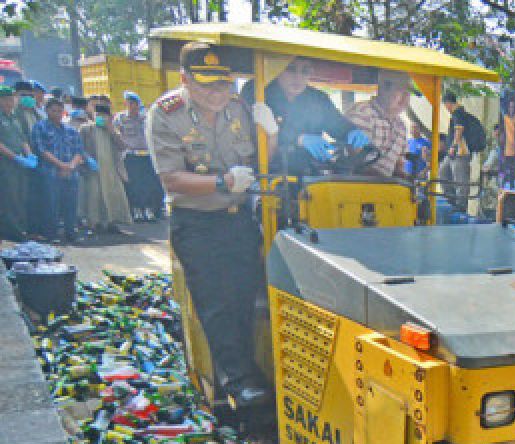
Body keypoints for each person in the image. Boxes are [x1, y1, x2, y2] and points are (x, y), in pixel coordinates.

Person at [147, 42, 276, 408]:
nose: (219, 93)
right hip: (197, 223)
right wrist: (221, 183)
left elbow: (265, 159)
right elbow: (170, 178)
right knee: (217, 303)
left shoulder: (239, 108)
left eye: (223, 84)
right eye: (208, 85)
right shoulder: (166, 114)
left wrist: (272, 132)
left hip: (237, 221)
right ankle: (238, 383)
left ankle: (242, 374)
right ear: (185, 80)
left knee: (243, 298)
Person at [240, 57, 368, 173]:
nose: (298, 77)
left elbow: (337, 125)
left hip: (310, 176)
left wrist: (351, 132)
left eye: (305, 71)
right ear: (276, 69)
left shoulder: (318, 99)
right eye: (291, 69)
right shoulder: (257, 91)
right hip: (268, 175)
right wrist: (298, 139)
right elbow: (250, 131)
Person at [30, 97, 85, 242]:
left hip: (70, 173)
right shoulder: (40, 127)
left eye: (60, 110)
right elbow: (41, 150)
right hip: (49, 173)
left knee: (71, 205)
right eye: (53, 110)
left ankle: (71, 233)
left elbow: (79, 151)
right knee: (50, 204)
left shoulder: (71, 130)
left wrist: (70, 166)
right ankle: (51, 235)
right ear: (47, 111)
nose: (57, 113)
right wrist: (61, 165)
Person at [345, 70, 411, 177]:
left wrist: (405, 178)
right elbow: (355, 163)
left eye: (408, 93)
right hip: (351, 187)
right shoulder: (363, 113)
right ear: (384, 89)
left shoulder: (401, 126)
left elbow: (398, 166)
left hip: (381, 190)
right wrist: (384, 180)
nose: (406, 99)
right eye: (401, 92)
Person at [80, 102, 132, 234]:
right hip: (94, 169)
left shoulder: (113, 130)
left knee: (112, 195)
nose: (101, 118)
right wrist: (86, 160)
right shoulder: (86, 129)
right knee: (94, 196)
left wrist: (112, 131)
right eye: (98, 115)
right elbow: (79, 148)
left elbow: (122, 146)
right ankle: (94, 223)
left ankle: (111, 222)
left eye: (104, 116)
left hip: (111, 169)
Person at [114, 91, 164, 221]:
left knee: (148, 184)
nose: (132, 106)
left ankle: (148, 209)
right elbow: (116, 135)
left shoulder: (145, 118)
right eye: (130, 103)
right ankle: (136, 210)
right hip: (131, 155)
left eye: (135, 104)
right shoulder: (120, 118)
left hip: (146, 155)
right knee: (133, 184)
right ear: (126, 104)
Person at [0, 86, 38, 242]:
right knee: (10, 198)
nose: (10, 102)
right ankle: (12, 232)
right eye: (6, 99)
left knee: (21, 196)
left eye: (12, 99)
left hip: (19, 164)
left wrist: (29, 155)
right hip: (6, 163)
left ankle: (20, 228)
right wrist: (15, 157)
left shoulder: (15, 117)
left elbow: (22, 138)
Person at [442, 91, 483, 211]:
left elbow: (459, 130)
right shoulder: (457, 114)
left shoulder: (458, 113)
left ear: (448, 103)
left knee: (460, 181)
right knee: (444, 172)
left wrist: (453, 146)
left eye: (445, 105)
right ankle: (451, 201)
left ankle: (460, 206)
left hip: (460, 153)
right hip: (454, 154)